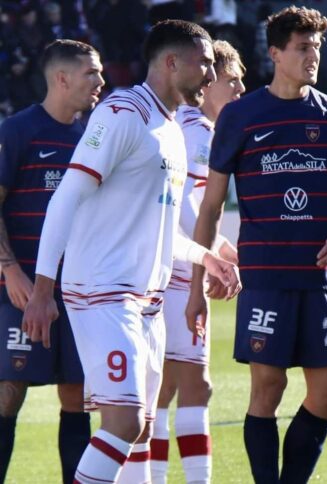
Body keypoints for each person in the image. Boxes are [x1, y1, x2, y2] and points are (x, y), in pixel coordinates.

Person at [22, 20, 240, 484]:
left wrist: (206, 258)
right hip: (104, 293)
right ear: (171, 62)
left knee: (138, 431)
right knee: (123, 423)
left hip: (146, 303)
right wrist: (42, 290)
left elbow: (156, 231)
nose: (210, 74)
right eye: (204, 63)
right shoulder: (123, 113)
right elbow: (65, 197)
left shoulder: (172, 130)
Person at [186, 6, 327, 483]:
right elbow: (210, 208)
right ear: (275, 53)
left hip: (321, 278)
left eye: (317, 47)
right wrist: (196, 285)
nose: (313, 56)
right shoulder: (240, 116)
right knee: (267, 388)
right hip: (266, 277)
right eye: (302, 47)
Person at [0, 39, 104, 483]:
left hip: (77, 294)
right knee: (8, 393)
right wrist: (10, 270)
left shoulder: (93, 138)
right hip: (19, 291)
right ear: (62, 78)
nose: (100, 81)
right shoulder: (17, 131)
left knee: (77, 397)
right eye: (91, 73)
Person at [150, 39, 245, 484]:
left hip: (170, 267)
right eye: (232, 80)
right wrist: (213, 255)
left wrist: (219, 247)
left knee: (163, 389)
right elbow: (186, 207)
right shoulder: (199, 131)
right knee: (193, 387)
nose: (240, 89)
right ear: (207, 83)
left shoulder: (188, 126)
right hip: (178, 275)